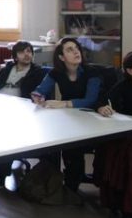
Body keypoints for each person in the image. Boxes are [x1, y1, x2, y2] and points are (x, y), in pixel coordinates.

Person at [31, 37, 102, 192]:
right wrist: (38, 96)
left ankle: (71, 186)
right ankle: (53, 183)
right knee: (51, 142)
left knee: (73, 148)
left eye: (76, 48)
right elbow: (40, 90)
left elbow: (90, 100)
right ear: (62, 57)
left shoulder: (92, 72)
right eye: (70, 50)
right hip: (68, 119)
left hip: (91, 120)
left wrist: (64, 103)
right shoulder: (56, 73)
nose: (76, 52)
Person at [0, 41, 47, 190]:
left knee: (7, 136)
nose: (26, 55)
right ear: (15, 56)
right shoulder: (7, 68)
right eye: (22, 52)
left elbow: (39, 93)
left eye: (29, 51)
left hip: (21, 110)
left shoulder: (37, 72)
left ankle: (0, 175)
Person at [95, 51, 132, 218]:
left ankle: (131, 212)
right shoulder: (124, 86)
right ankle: (124, 207)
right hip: (130, 133)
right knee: (116, 149)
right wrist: (102, 108)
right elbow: (102, 100)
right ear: (129, 70)